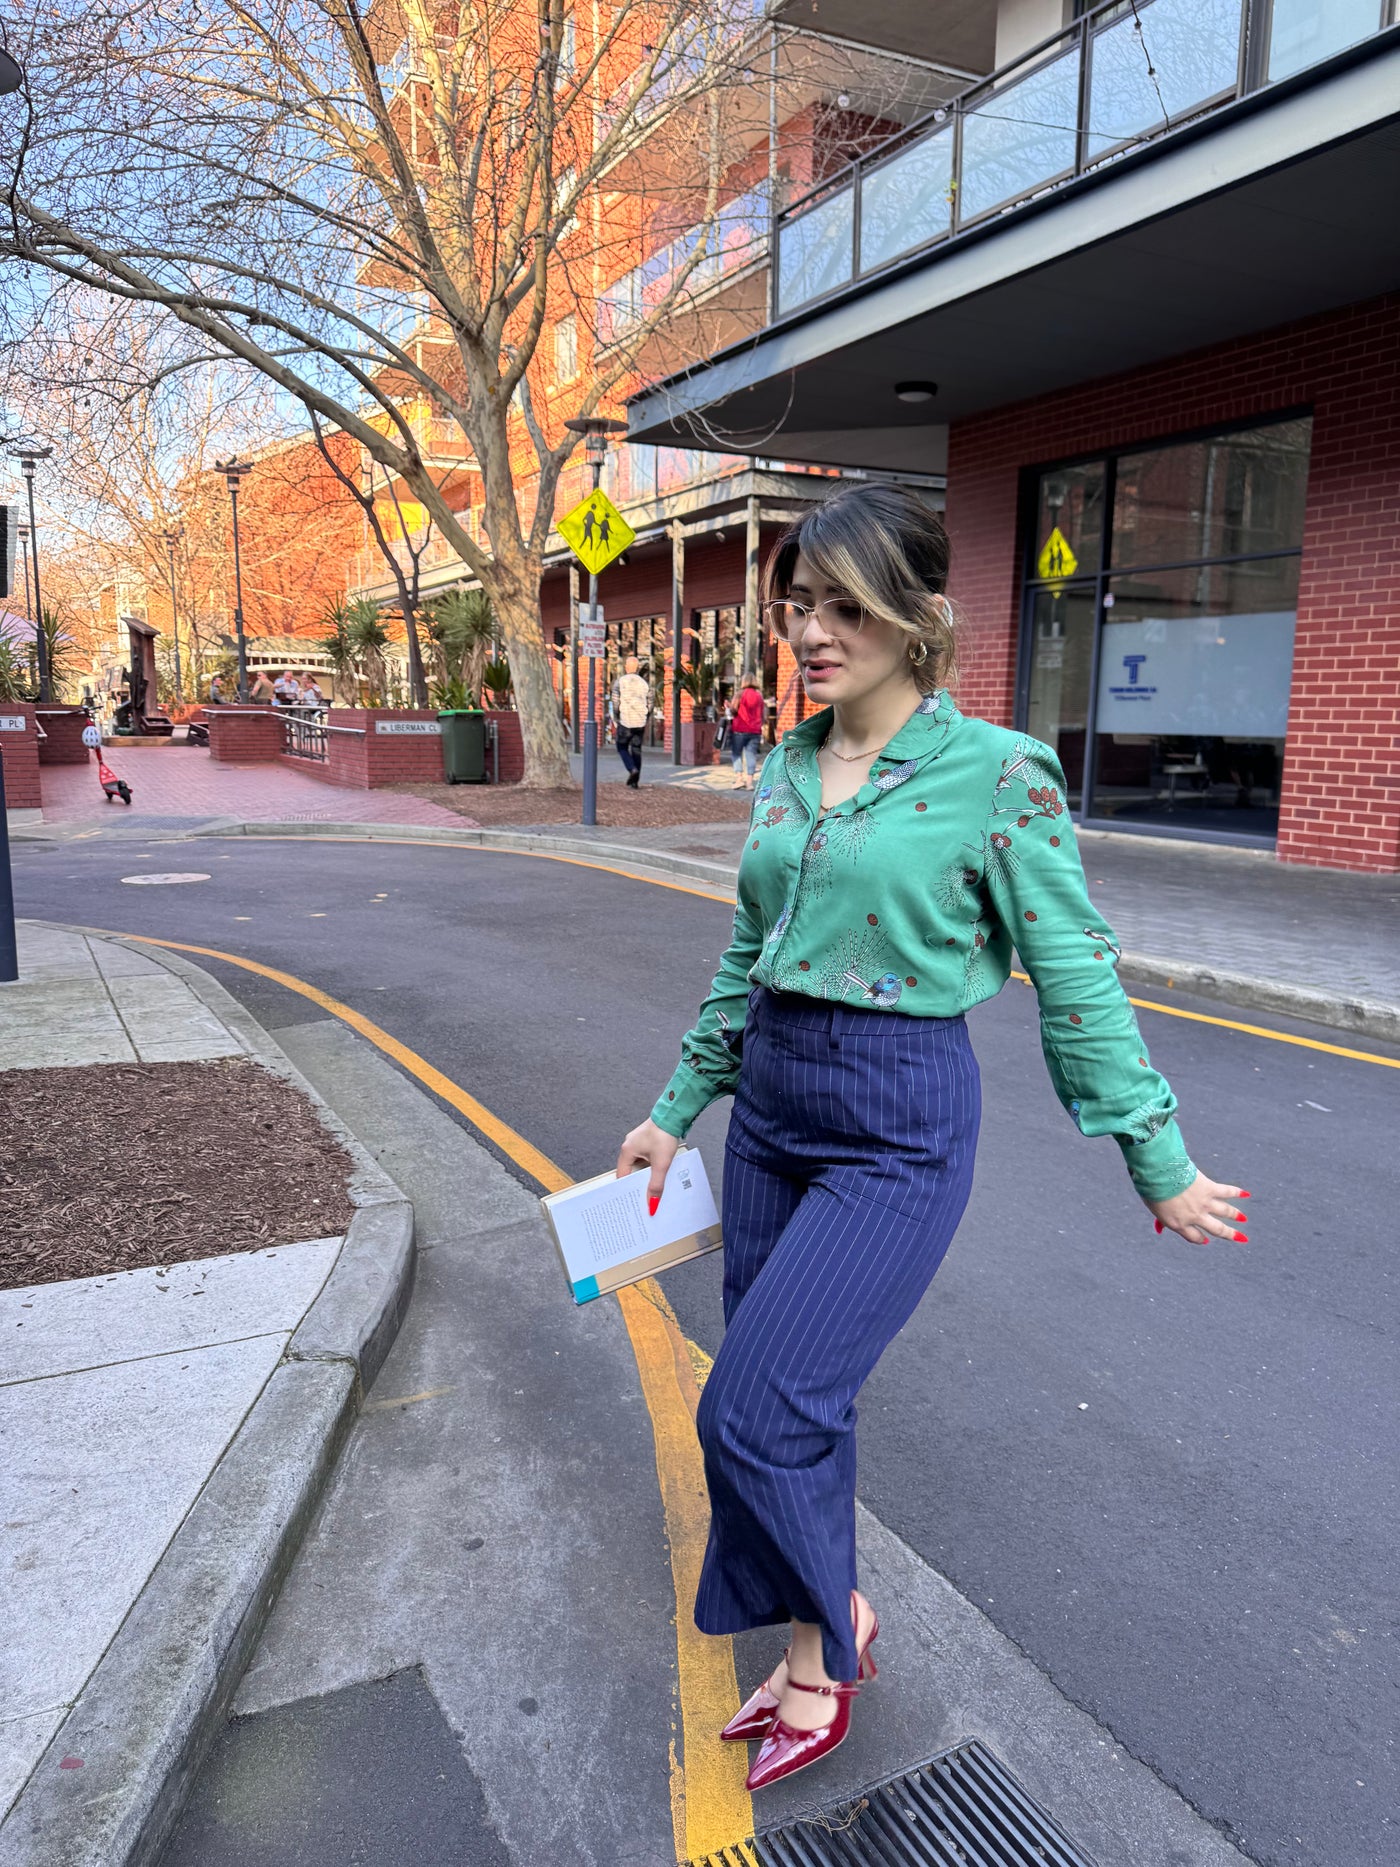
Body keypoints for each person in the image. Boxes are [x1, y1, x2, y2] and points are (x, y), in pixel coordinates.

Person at [616, 482, 1249, 1796]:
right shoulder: (790, 762)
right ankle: (806, 1647)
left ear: (918, 615)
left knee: (749, 1404)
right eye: (800, 602)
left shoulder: (998, 774)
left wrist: (1159, 1156)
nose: (814, 628)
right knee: (806, 1402)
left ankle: (834, 1628)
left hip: (897, 1123)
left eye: (846, 603)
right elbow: (750, 952)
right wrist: (675, 1107)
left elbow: (1075, 970)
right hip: (774, 1108)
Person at [612, 655, 650, 788]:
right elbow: (650, 703)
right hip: (640, 721)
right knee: (636, 749)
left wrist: (616, 717)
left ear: (627, 667)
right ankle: (635, 782)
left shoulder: (620, 682)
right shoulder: (644, 683)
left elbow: (615, 702)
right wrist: (646, 716)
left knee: (621, 746)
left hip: (626, 720)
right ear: (637, 668)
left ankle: (631, 768)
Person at [728, 676, 764, 789]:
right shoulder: (759, 696)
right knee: (751, 755)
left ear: (743, 682)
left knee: (736, 753)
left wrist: (728, 706)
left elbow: (733, 710)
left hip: (739, 729)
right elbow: (763, 713)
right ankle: (749, 783)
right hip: (755, 730)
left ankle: (739, 779)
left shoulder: (740, 694)